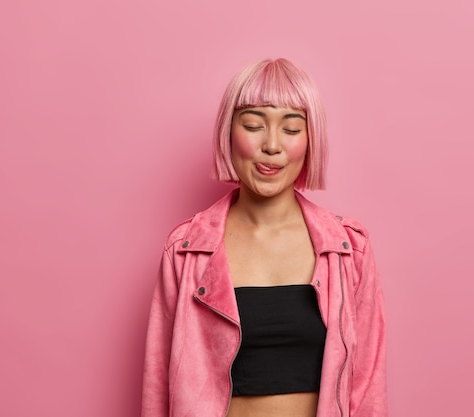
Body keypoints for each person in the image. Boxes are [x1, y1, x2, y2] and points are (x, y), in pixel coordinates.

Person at [141, 58, 387, 417]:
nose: (271, 145)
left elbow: (368, 391)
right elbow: (157, 389)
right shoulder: (185, 250)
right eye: (254, 125)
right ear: (228, 132)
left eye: (291, 129)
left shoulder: (349, 250)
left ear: (310, 140)